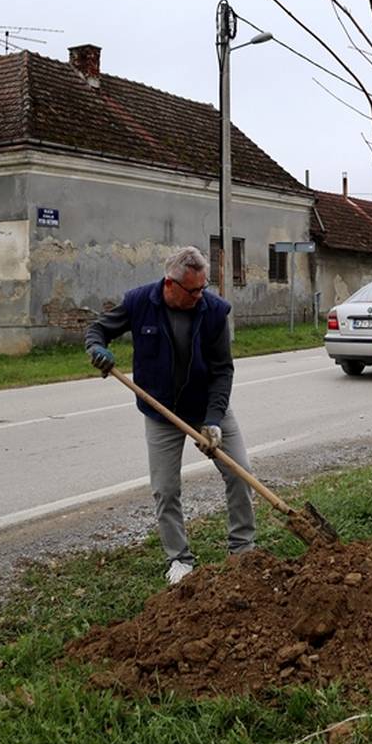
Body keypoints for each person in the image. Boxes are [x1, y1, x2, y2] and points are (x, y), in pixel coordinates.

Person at [85, 246, 255, 585]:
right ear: (169, 284)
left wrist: (214, 420)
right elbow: (98, 330)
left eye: (203, 287)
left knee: (240, 475)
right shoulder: (139, 303)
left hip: (207, 408)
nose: (199, 295)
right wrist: (97, 347)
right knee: (165, 489)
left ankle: (243, 550)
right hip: (161, 413)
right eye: (193, 290)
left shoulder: (214, 311)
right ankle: (179, 560)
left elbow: (223, 371)